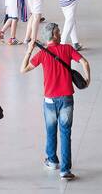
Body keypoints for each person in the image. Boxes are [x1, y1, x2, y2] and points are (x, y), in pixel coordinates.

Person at [20, 23, 91, 181]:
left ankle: (52, 160)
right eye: (58, 32)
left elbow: (23, 69)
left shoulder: (42, 54)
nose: (60, 34)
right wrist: (87, 80)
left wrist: (30, 49)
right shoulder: (67, 49)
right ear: (53, 35)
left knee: (51, 130)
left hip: (50, 100)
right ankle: (65, 170)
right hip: (66, 98)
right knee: (65, 133)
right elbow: (85, 62)